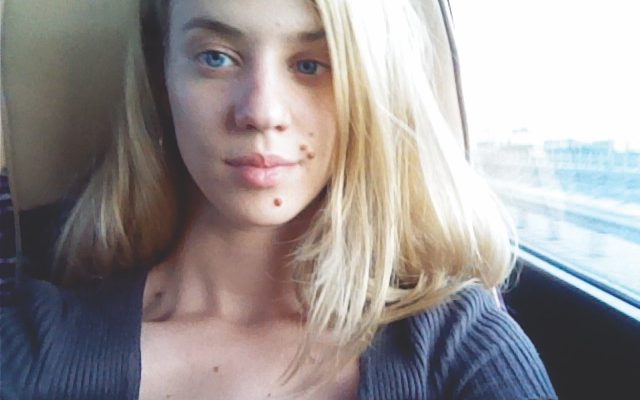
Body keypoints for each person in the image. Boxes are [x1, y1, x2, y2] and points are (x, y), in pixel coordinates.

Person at [1, 0, 558, 399]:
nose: (262, 112)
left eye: (311, 64)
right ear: (160, 76)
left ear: (367, 91)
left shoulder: (460, 349)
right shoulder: (34, 348)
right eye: (215, 57)